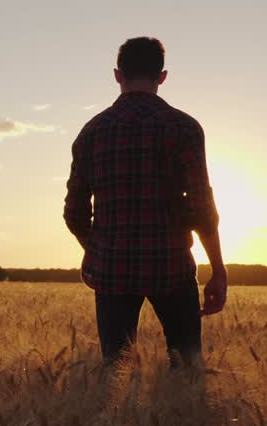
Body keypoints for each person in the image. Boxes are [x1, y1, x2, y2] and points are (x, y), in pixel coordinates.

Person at [64, 37, 227, 368]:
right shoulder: (184, 128)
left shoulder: (91, 133)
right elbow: (201, 207)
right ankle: (187, 416)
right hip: (172, 267)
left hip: (111, 270)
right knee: (188, 369)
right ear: (162, 76)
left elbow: (75, 213)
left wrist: (96, 249)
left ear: (117, 75)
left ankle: (114, 421)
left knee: (115, 372)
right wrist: (218, 269)